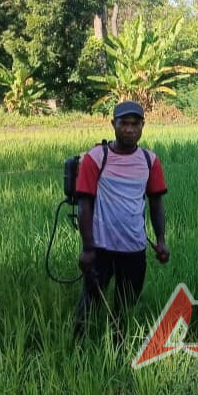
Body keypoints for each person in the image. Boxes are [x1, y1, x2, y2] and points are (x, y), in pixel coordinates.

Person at [73, 100, 170, 341]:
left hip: (134, 248)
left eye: (134, 124)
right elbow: (84, 205)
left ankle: (118, 348)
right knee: (90, 302)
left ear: (142, 126)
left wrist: (161, 240)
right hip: (101, 248)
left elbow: (156, 202)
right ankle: (76, 349)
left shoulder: (150, 160)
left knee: (126, 306)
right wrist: (87, 249)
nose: (129, 129)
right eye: (123, 123)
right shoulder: (96, 158)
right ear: (112, 125)